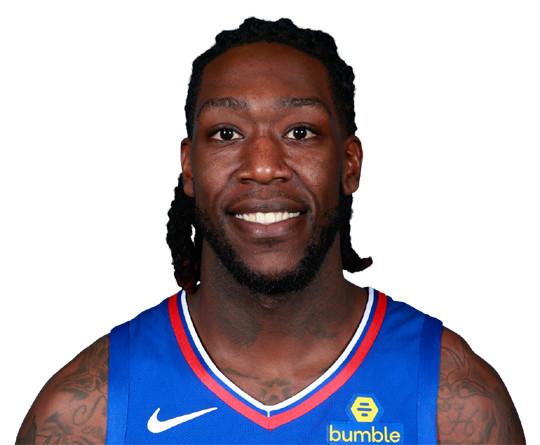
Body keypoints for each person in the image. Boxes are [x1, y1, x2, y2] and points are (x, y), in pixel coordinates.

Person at [16, 17, 525, 445]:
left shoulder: (454, 406)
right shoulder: (86, 415)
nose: (262, 167)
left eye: (300, 132)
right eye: (226, 133)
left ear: (349, 163)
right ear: (189, 166)